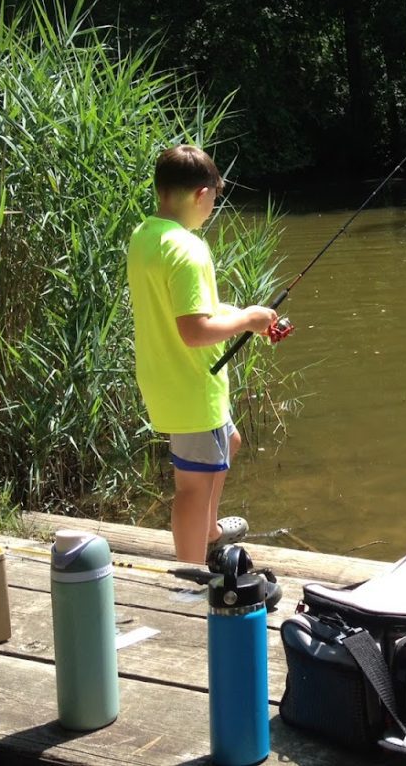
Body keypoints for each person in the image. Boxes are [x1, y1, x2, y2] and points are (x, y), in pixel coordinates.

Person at [127, 144, 277, 563]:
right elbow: (195, 332)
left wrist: (249, 316)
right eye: (215, 194)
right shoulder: (190, 251)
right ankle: (190, 575)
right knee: (192, 488)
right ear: (199, 194)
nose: (214, 204)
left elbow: (192, 313)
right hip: (192, 385)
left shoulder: (146, 237)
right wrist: (246, 321)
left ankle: (209, 532)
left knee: (229, 441)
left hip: (165, 376)